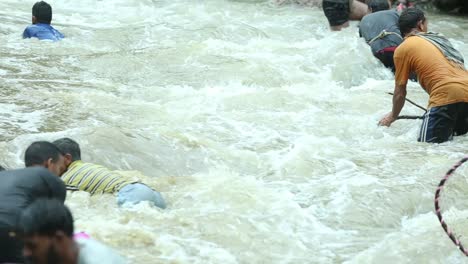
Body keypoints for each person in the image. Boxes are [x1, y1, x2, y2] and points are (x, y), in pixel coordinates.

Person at [378, 8, 468, 143]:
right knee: (456, 145)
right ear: (420, 25)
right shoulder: (439, 41)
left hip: (445, 95)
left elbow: (400, 92)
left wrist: (393, 116)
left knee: (426, 150)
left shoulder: (404, 48)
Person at [53, 138, 167, 209]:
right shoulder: (91, 167)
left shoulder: (67, 177)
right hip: (148, 191)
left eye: (53, 161)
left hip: (131, 195)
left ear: (67, 159)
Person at [18, 198, 126, 264]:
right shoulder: (58, 254)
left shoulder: (100, 261)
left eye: (32, 246)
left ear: (59, 239)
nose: (25, 253)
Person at [0, 168, 66, 263]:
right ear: (49, 163)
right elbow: (56, 215)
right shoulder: (50, 178)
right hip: (12, 225)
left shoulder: (5, 178)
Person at [359, 0, 402, 73]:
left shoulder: (363, 20)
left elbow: (362, 40)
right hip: (396, 50)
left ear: (371, 9)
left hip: (377, 53)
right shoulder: (394, 13)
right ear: (389, 8)